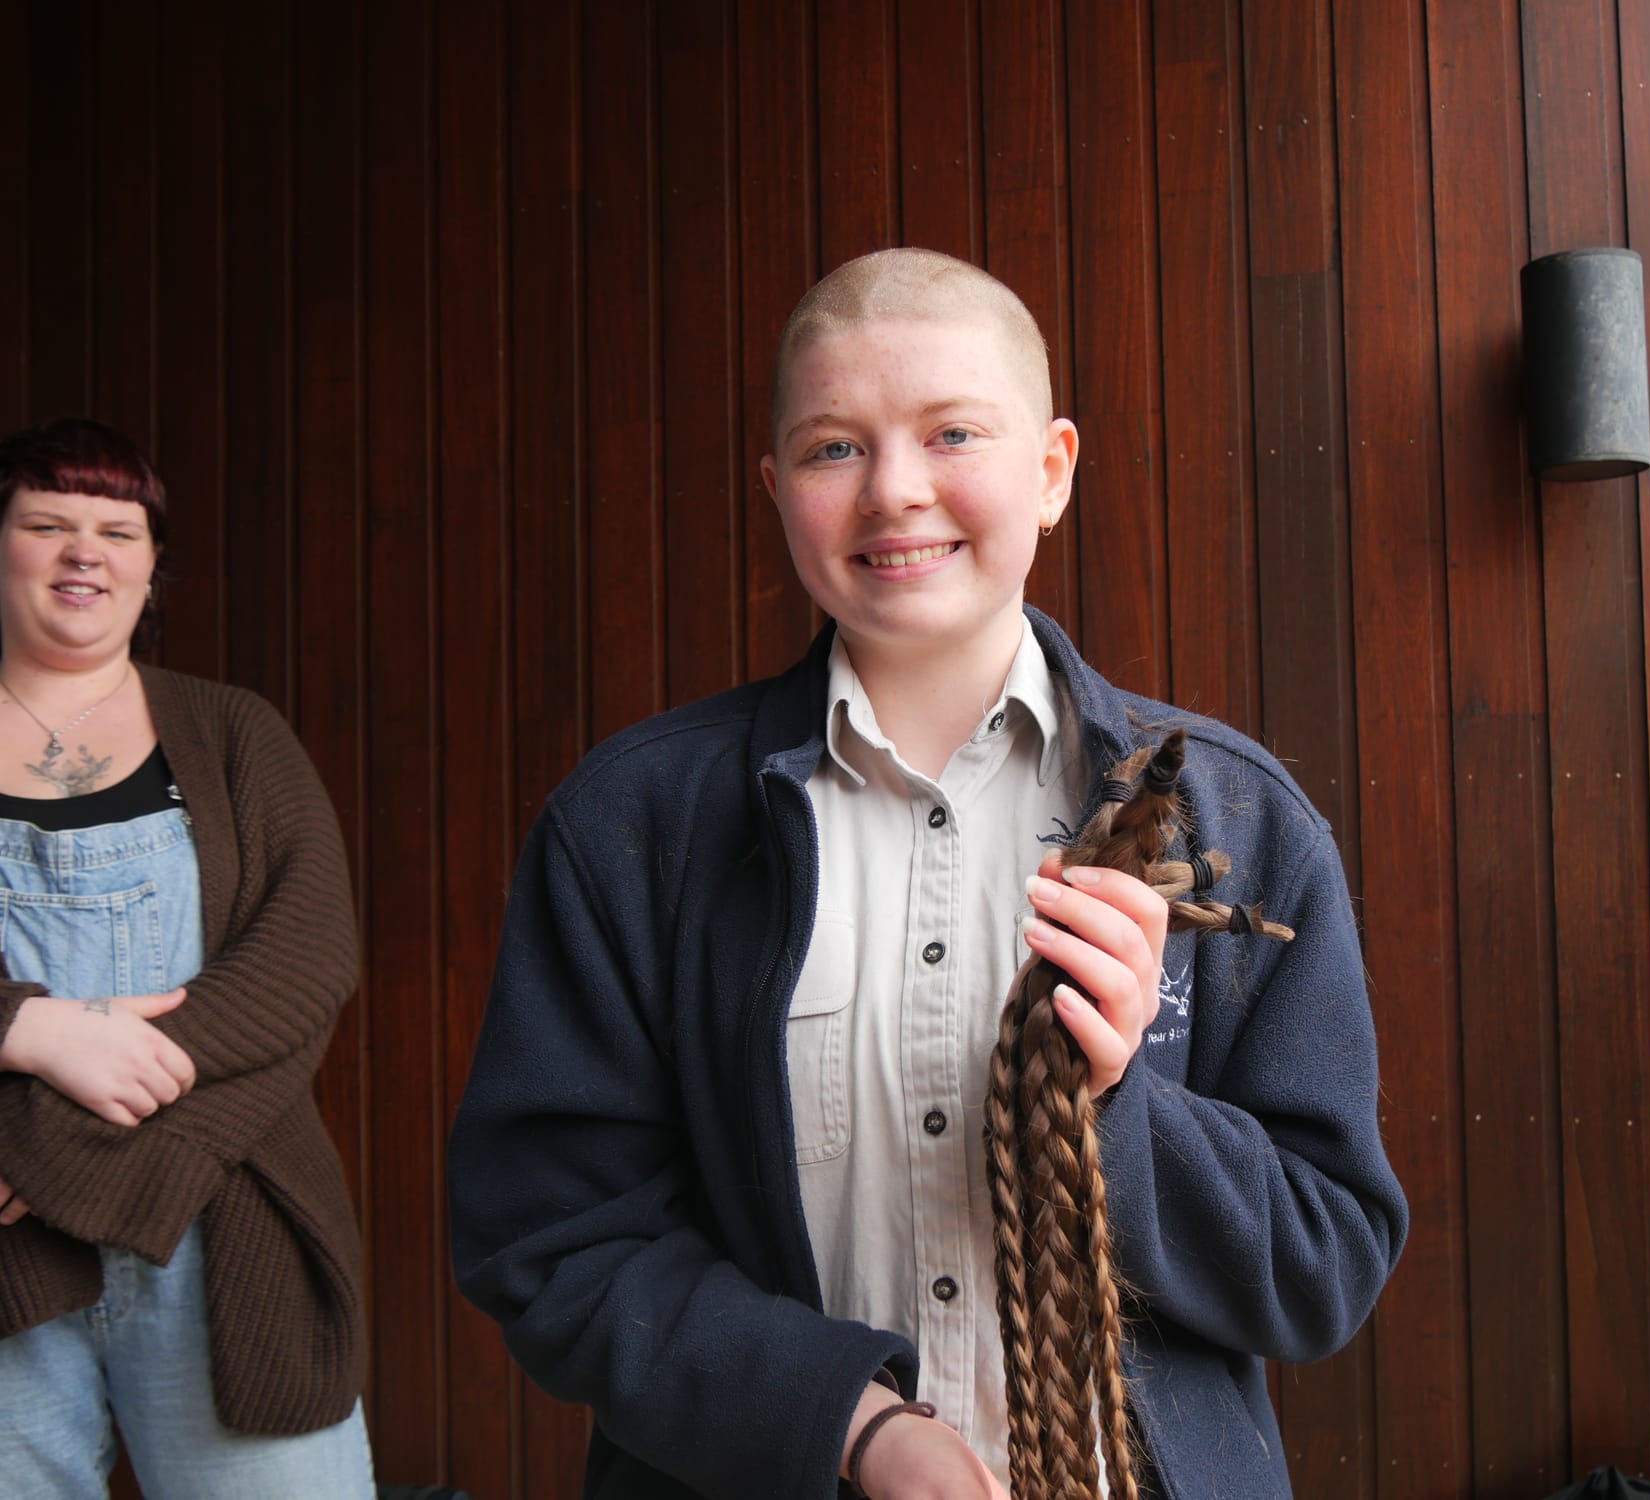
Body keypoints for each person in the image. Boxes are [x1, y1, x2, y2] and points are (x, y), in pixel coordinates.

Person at [449, 247, 1407, 1499]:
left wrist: (1116, 1105)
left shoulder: (1231, 822)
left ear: (1052, 470)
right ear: (776, 487)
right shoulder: (634, 826)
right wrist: (850, 1427)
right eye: (831, 448)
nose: (893, 491)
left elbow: (1321, 1264)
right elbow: (554, 1238)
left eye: (951, 432)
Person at [0, 418, 374, 1498]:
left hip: (228, 1239)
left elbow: (304, 966)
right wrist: (30, 1028)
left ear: (153, 565)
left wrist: (45, 1152)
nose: (86, 552)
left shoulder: (233, 733)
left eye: (118, 530)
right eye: (47, 524)